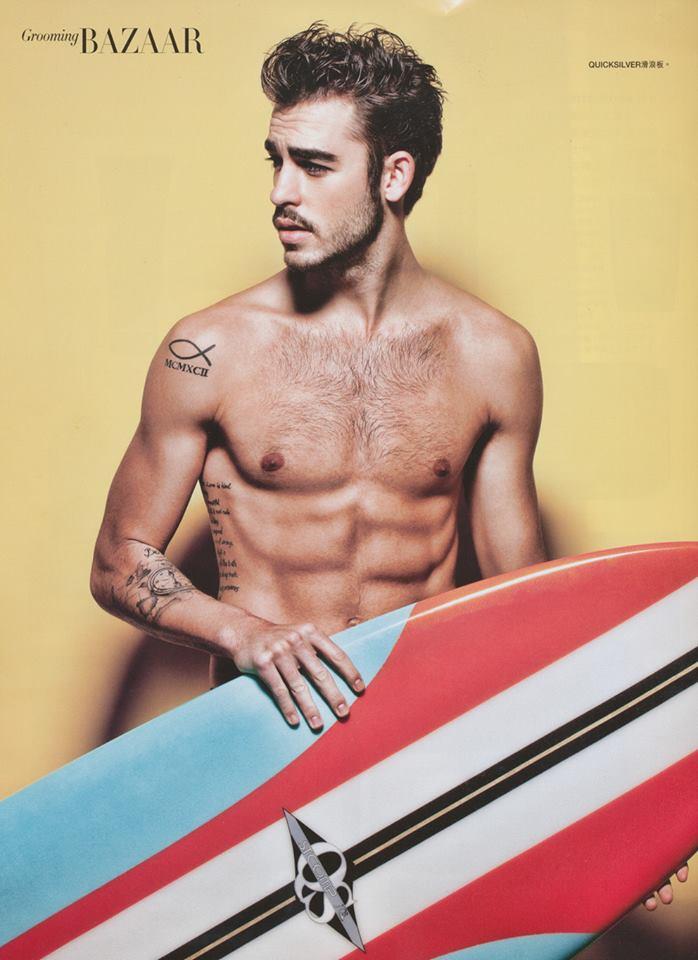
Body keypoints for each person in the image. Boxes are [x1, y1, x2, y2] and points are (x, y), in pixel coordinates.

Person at [90, 22, 686, 909]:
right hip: (256, 753)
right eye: (275, 161)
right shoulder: (210, 350)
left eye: (314, 166)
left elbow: (526, 608)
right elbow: (118, 560)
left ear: (394, 176)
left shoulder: (493, 356)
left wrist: (602, 800)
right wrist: (241, 633)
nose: (281, 192)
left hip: (424, 752)